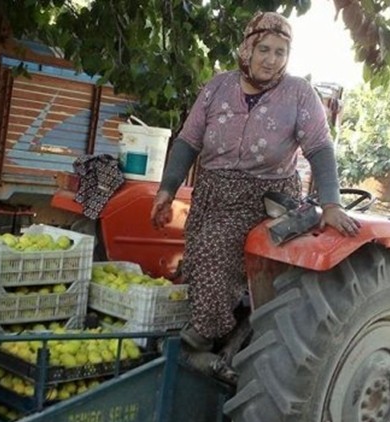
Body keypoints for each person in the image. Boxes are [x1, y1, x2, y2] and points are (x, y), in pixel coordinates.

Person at [150, 12, 360, 364]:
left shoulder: (298, 93)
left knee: (218, 250)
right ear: (247, 48)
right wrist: (167, 189)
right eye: (264, 49)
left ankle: (200, 341)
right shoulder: (218, 87)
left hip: (265, 198)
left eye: (280, 52)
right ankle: (217, 326)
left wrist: (332, 204)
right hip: (213, 194)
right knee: (199, 258)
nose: (271, 59)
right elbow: (187, 140)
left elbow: (320, 149)